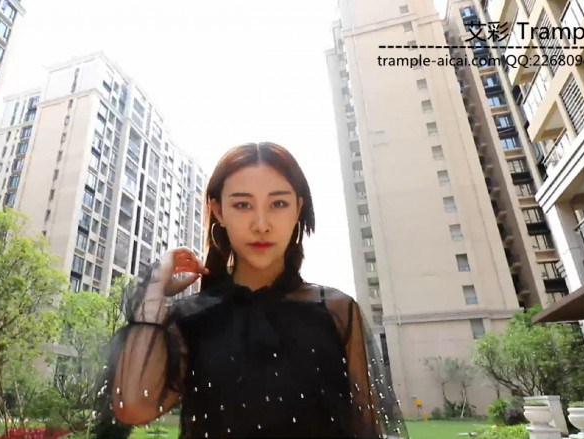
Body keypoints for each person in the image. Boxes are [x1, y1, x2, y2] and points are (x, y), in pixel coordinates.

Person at [102, 142, 408, 438]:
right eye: (242, 205)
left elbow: (366, 425)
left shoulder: (336, 311)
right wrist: (154, 287)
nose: (261, 225)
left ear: (298, 209)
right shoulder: (190, 319)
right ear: (218, 211)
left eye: (278, 204)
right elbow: (133, 406)